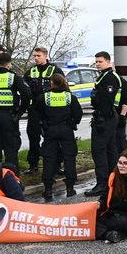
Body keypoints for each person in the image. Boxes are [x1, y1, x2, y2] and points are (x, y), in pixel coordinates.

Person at [37, 73, 83, 201]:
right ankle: (70, 188)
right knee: (69, 157)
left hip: (50, 130)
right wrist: (72, 123)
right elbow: (78, 114)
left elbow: (38, 114)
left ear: (52, 83)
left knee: (49, 158)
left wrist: (44, 125)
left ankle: (48, 189)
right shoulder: (69, 97)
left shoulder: (44, 97)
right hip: (66, 130)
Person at [0, 52, 31, 171]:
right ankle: (12, 180)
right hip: (9, 116)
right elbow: (26, 93)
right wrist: (20, 111)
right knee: (11, 150)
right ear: (9, 64)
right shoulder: (13, 77)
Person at [85, 51, 123, 197]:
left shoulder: (110, 78)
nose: (97, 64)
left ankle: (102, 183)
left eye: (100, 61)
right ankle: (112, 181)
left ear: (108, 61)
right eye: (96, 62)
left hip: (105, 117)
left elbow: (106, 99)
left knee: (99, 150)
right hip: (105, 116)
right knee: (109, 149)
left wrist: (101, 116)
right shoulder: (104, 76)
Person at [23, 47, 65, 174]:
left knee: (53, 139)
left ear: (45, 56)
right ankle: (33, 165)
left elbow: (63, 88)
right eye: (34, 56)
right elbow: (25, 89)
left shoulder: (55, 70)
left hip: (50, 110)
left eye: (38, 55)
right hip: (35, 110)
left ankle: (57, 165)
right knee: (33, 137)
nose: (36, 58)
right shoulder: (30, 71)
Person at [115, 75, 127, 154]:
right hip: (109, 117)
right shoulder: (103, 81)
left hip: (119, 116)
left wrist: (122, 116)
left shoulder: (123, 83)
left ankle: (124, 159)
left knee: (120, 140)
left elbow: (126, 102)